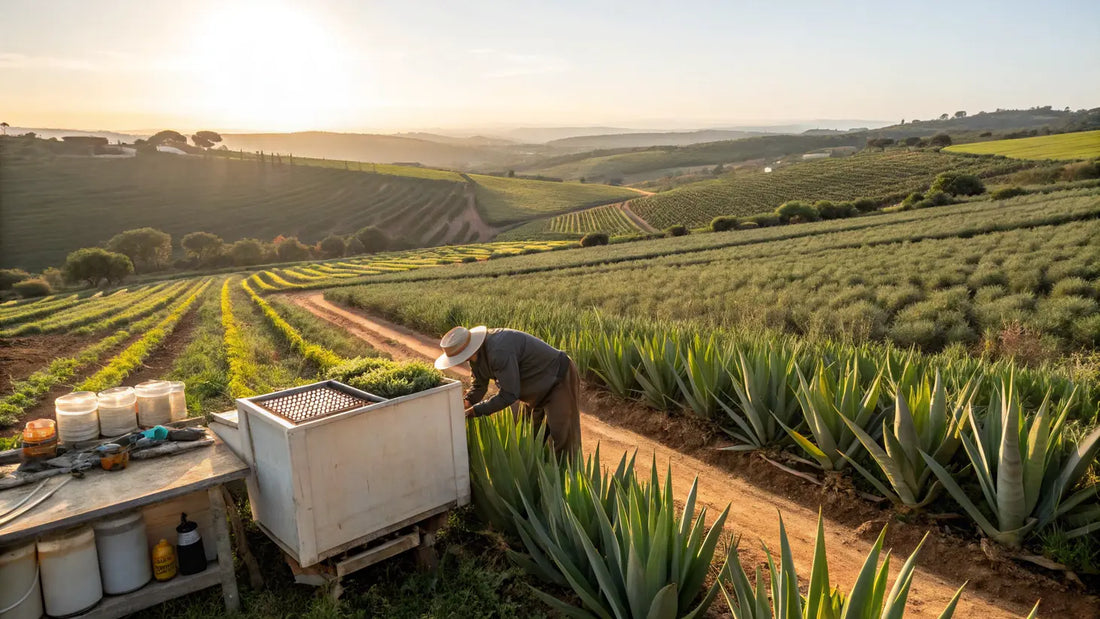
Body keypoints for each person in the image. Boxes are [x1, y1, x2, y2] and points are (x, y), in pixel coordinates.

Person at [435, 325, 581, 455]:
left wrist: (476, 411)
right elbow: (479, 384)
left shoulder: (499, 351)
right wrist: (468, 402)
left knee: (562, 437)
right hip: (534, 390)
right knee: (530, 436)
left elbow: (509, 395)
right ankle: (539, 476)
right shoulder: (474, 357)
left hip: (558, 379)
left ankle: (566, 479)